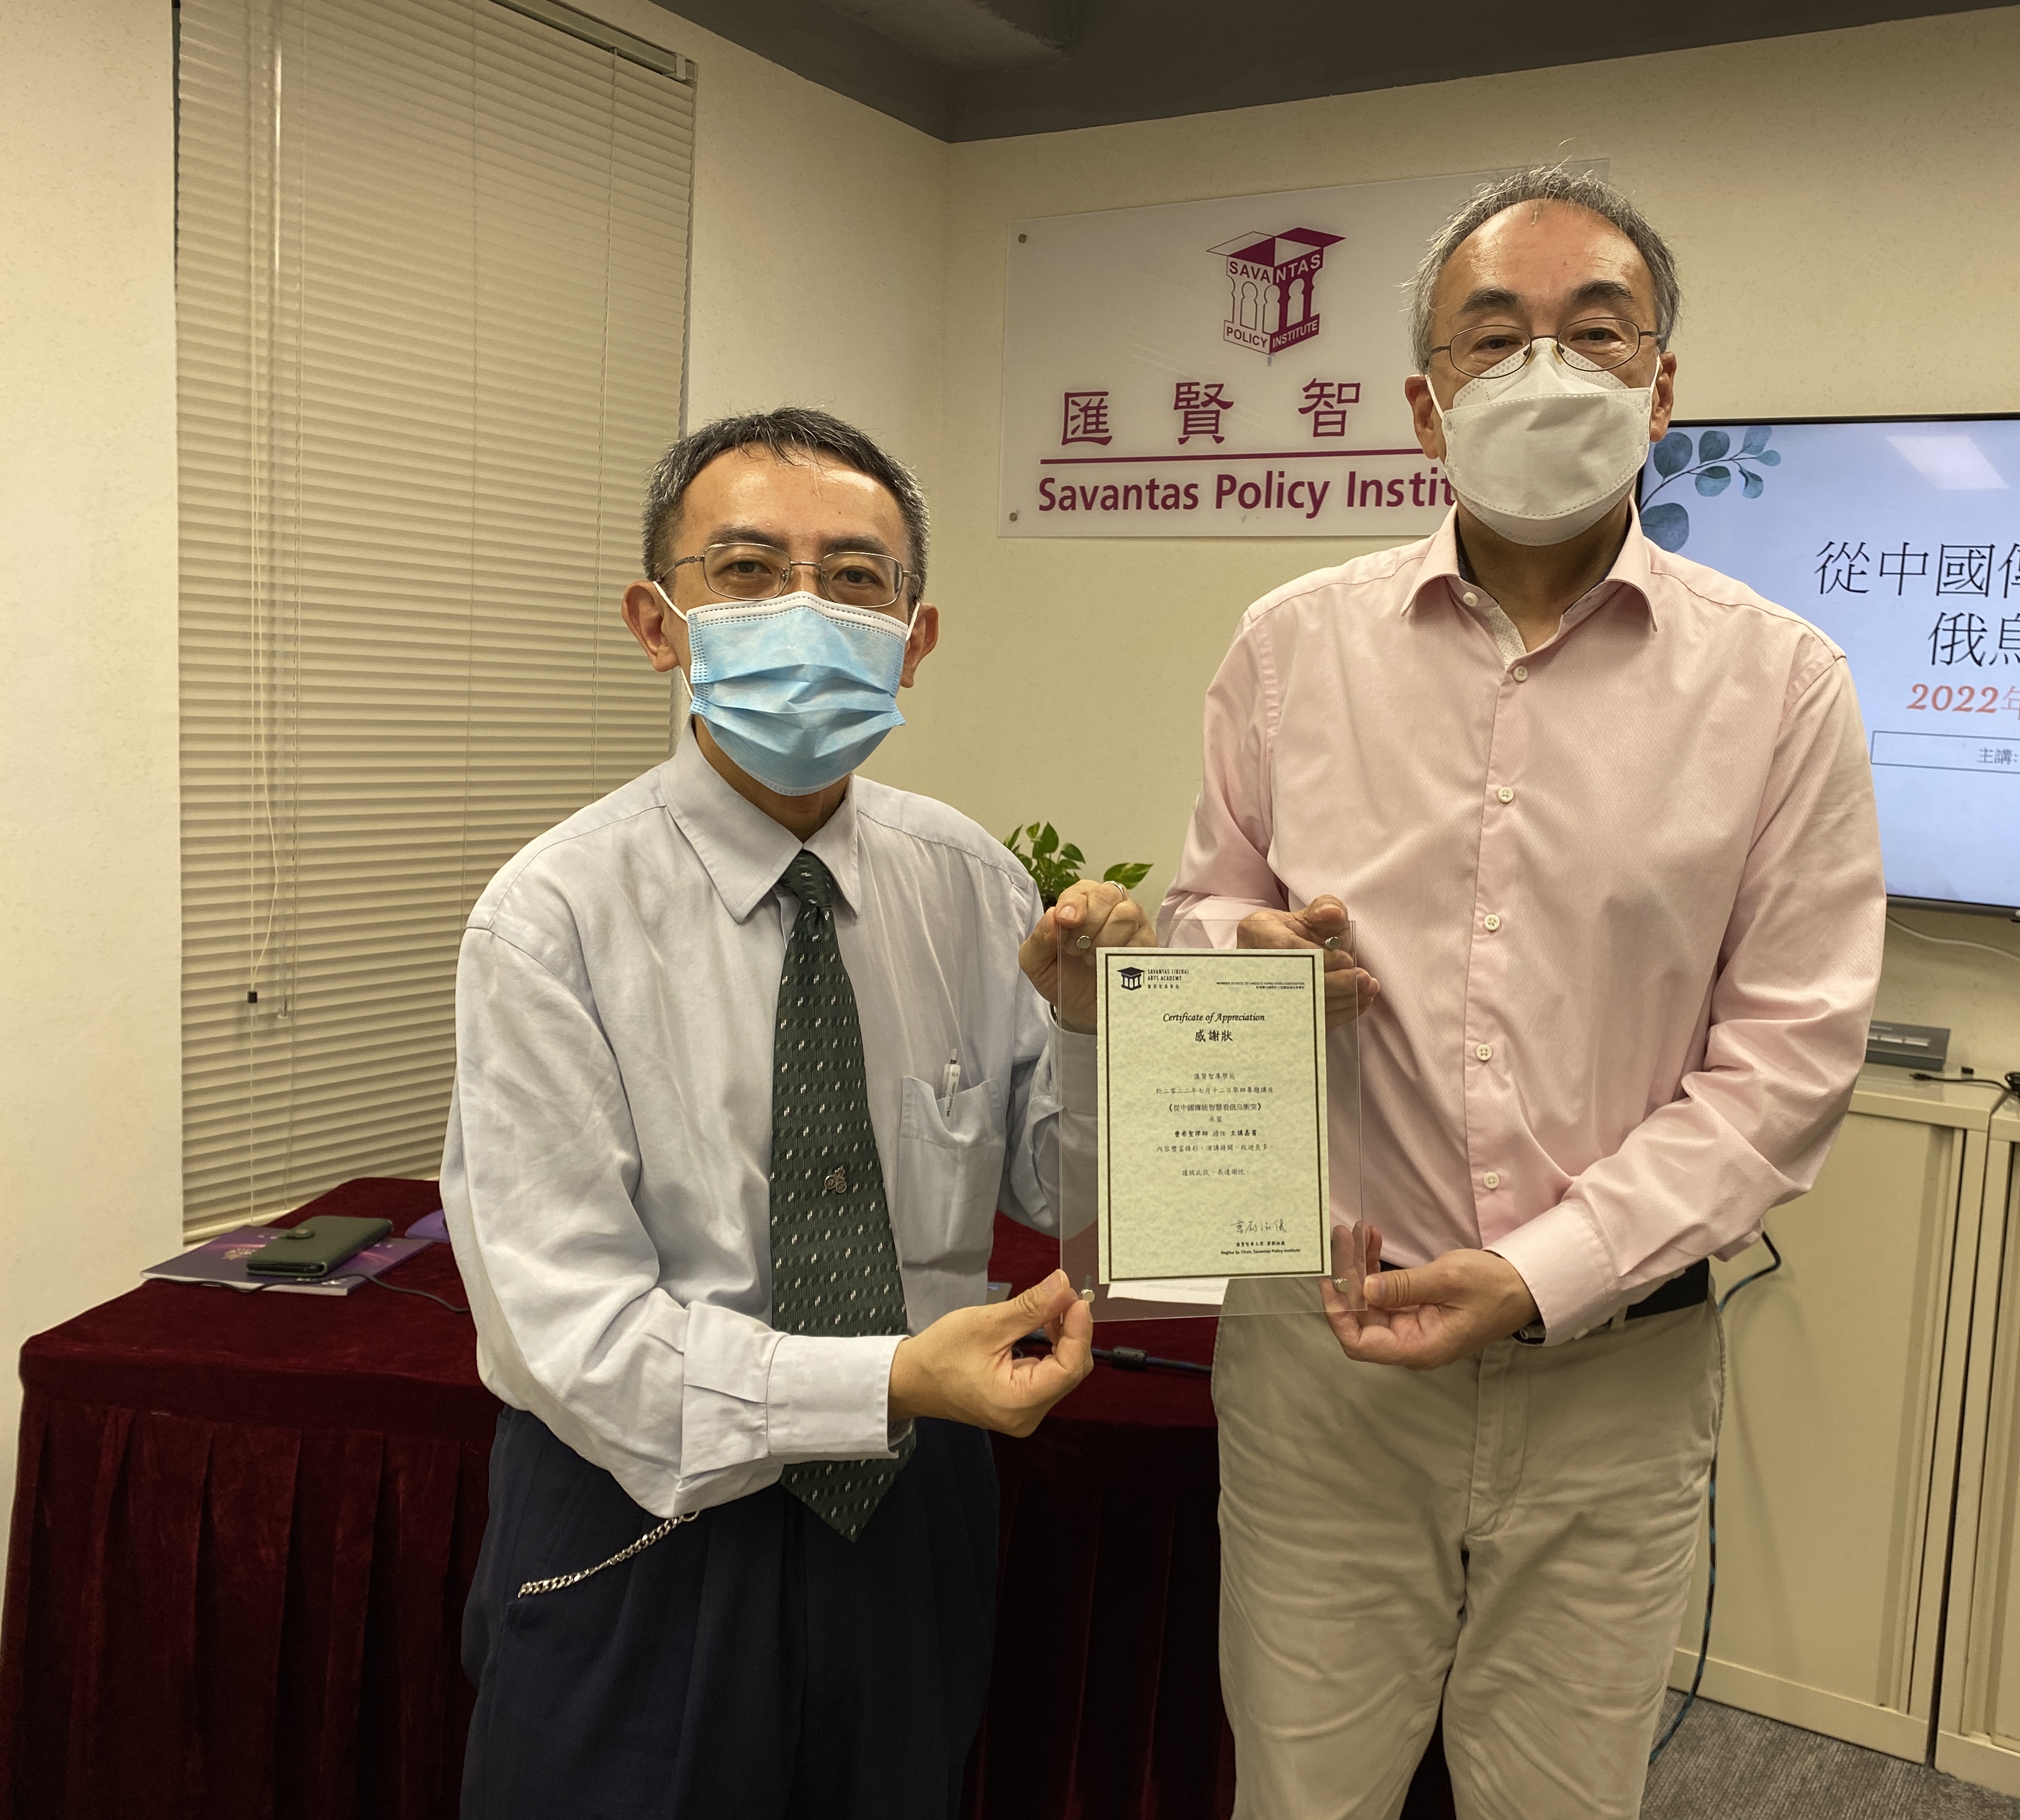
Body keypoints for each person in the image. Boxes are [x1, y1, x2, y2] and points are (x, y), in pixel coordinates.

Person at [1162, 168, 1885, 1818]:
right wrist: (1242, 953)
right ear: (1425, 405)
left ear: (1663, 387)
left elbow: (1787, 1066)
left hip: (1612, 1376)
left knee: (1560, 1795)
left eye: (1595, 331)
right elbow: (1208, 906)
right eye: (1494, 338)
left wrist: (1538, 1273)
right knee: (1304, 1790)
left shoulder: (1781, 685)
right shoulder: (1289, 648)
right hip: (1322, 1350)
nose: (1547, 369)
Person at [443, 407, 1147, 1817]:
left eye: (856, 579)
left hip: (910, 1502)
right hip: (645, 1504)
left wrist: (1086, 1026)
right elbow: (567, 1328)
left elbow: (1064, 1197)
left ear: (914, 638)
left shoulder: (970, 882)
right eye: (751, 571)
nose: (806, 611)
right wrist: (885, 1384)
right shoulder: (551, 918)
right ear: (658, 624)